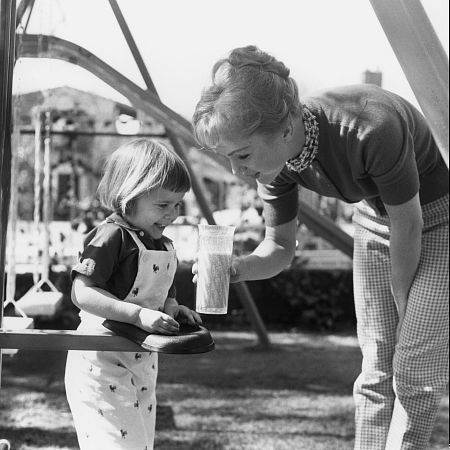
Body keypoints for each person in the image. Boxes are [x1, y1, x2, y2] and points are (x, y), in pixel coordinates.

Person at [192, 45, 448, 449]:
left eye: (242, 155)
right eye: (228, 158)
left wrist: (404, 301)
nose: (237, 171)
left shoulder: (368, 125)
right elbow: (278, 249)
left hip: (435, 219)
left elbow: (409, 222)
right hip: (376, 220)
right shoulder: (275, 169)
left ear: (286, 125)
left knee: (413, 369)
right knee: (377, 368)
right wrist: (236, 268)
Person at [65, 138, 202, 450]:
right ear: (128, 196)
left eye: (177, 204)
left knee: (139, 444)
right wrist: (138, 314)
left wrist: (172, 306)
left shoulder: (161, 243)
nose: (172, 215)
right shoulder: (111, 236)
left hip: (141, 361)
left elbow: (162, 291)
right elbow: (82, 292)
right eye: (163, 205)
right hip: (100, 362)